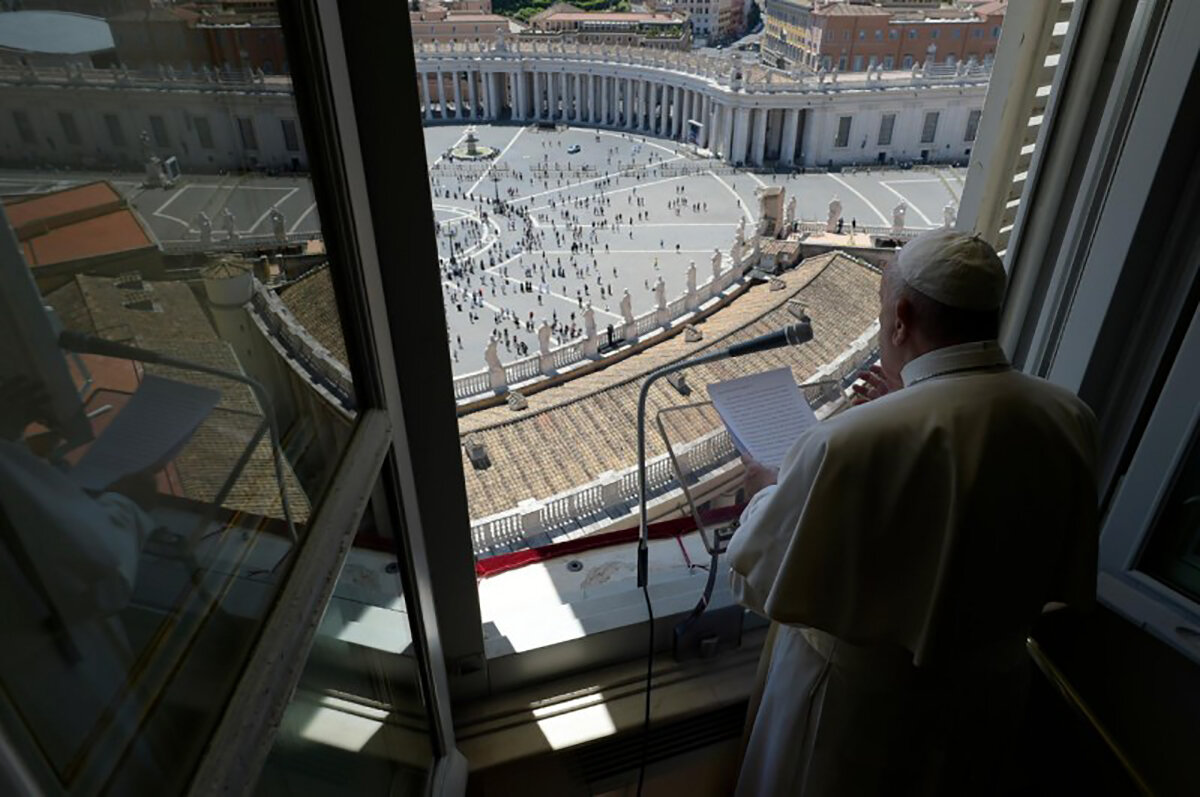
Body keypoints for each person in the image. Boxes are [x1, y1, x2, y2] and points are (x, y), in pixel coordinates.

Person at [729, 230, 1099, 796]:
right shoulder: (1069, 415)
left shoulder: (845, 442)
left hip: (859, 715)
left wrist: (763, 490)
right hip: (990, 703)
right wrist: (902, 407)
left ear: (900, 316)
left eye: (882, 314)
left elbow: (759, 580)